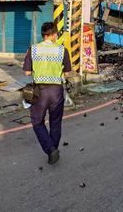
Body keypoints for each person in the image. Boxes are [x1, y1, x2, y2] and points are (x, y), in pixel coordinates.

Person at [23, 22, 71, 164]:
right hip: (56, 91)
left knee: (37, 122)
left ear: (43, 34)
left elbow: (26, 72)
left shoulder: (33, 49)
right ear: (54, 34)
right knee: (55, 122)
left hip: (40, 92)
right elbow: (67, 73)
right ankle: (53, 150)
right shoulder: (62, 50)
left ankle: (50, 150)